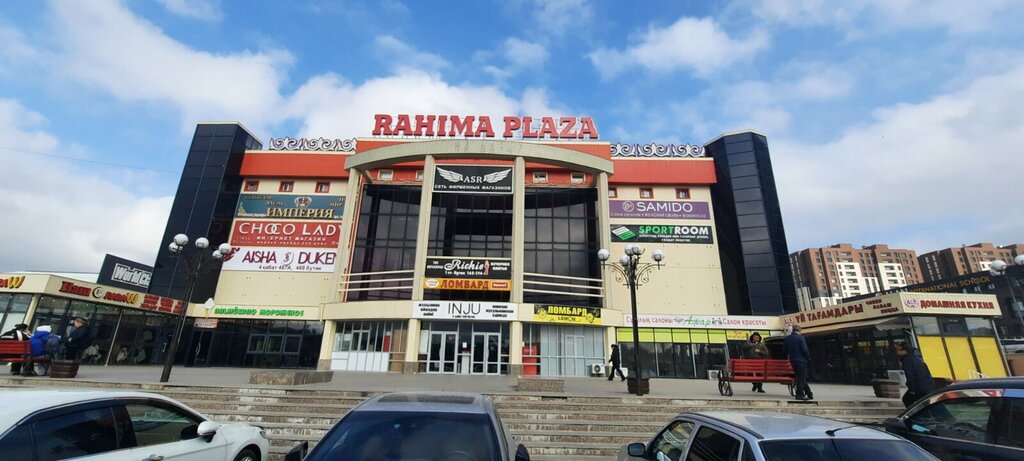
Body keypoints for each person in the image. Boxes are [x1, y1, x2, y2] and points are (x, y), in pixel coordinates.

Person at [897, 343, 934, 408]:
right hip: (929, 385)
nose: (897, 352)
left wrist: (912, 390)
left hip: (919, 387)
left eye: (899, 350)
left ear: (905, 351)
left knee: (906, 399)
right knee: (926, 403)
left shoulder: (907, 360)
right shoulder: (917, 357)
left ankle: (914, 413)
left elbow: (910, 376)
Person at [784, 325, 813, 400]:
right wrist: (808, 357)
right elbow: (805, 350)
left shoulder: (787, 338)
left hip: (793, 360)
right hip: (801, 360)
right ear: (800, 330)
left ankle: (809, 393)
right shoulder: (801, 338)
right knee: (801, 378)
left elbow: (785, 350)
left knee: (800, 377)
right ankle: (799, 395)